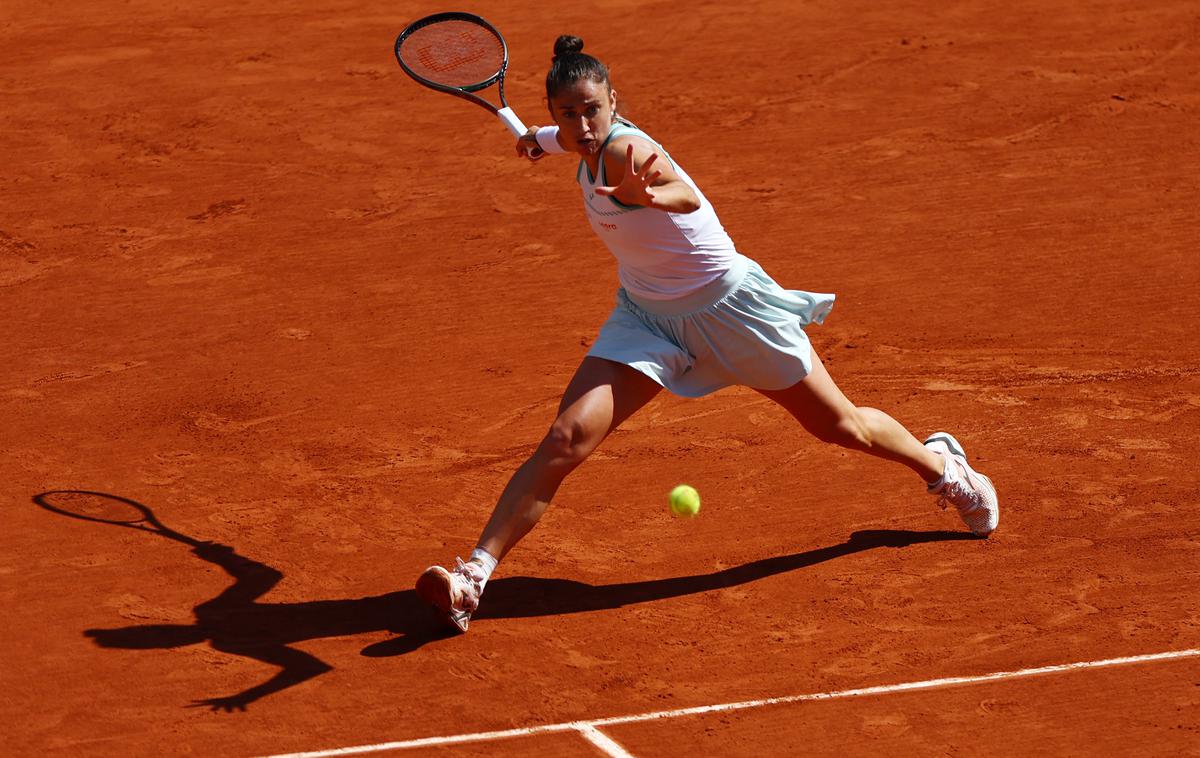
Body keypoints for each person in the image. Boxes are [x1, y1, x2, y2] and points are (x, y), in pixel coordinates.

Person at [415, 35, 998, 633]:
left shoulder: (629, 150)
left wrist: (649, 195)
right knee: (566, 439)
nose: (582, 125)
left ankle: (944, 469)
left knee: (839, 426)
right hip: (646, 318)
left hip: (733, 310)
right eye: (569, 113)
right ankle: (473, 578)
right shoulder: (573, 136)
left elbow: (686, 196)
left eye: (592, 110)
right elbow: (560, 139)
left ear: (614, 101)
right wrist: (539, 141)